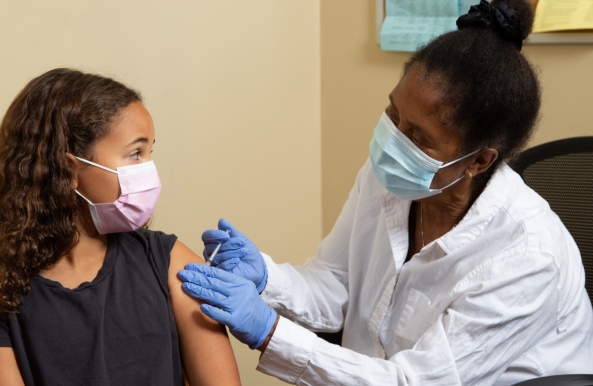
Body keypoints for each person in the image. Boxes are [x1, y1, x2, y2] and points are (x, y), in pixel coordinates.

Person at [178, 1, 593, 385]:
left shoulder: (529, 258)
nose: (393, 140)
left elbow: (412, 381)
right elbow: (337, 285)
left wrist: (269, 331)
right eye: (393, 112)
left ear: (478, 162)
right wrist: (268, 278)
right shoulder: (390, 178)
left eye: (419, 136)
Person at [0, 68, 241, 386]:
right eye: (135, 154)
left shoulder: (168, 262)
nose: (149, 170)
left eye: (150, 152)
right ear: (68, 168)